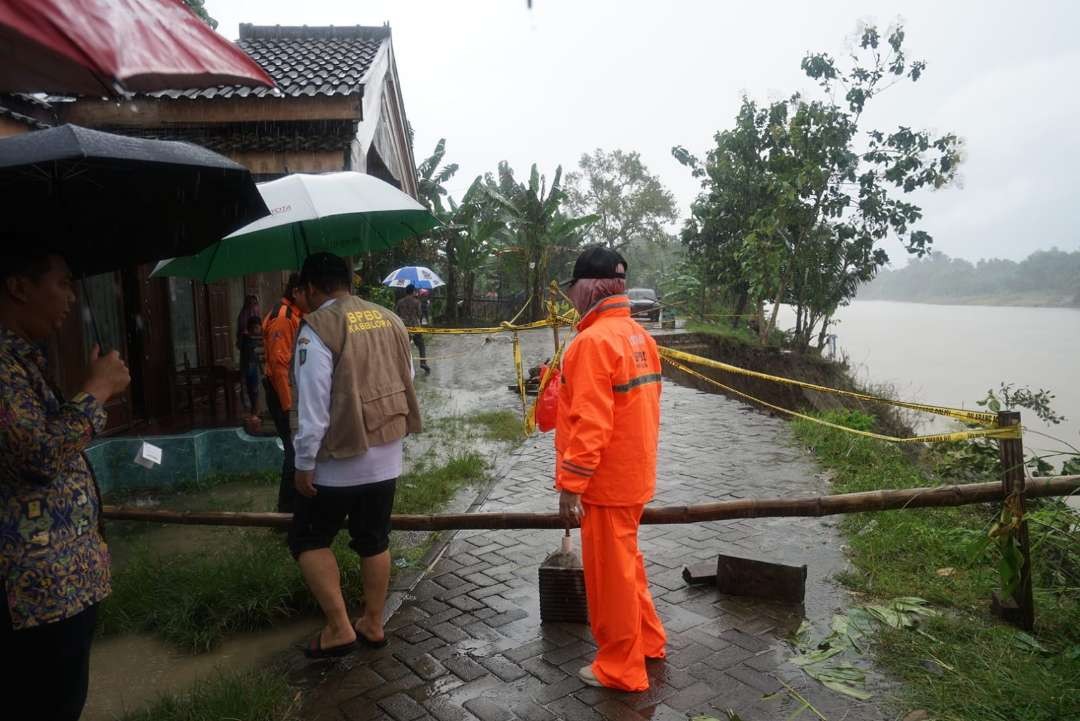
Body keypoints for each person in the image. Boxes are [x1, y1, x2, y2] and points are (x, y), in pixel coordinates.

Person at [0, 250, 131, 720]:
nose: (72, 299)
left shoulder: (22, 360)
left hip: (59, 587)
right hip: (31, 594)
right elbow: (37, 454)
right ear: (18, 286)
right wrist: (95, 391)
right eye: (63, 284)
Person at [288, 253, 421, 658]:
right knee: (373, 538)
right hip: (387, 452)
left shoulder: (317, 328)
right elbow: (407, 377)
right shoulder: (389, 319)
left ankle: (339, 627)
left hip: (338, 461)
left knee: (308, 538)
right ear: (347, 281)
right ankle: (374, 623)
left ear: (312, 289)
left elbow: (312, 408)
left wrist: (303, 463)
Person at [555, 245, 667, 692]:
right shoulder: (638, 335)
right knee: (628, 568)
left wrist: (571, 485)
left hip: (604, 483)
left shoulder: (592, 342)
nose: (571, 299)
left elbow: (592, 425)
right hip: (633, 475)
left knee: (611, 580)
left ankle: (621, 667)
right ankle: (649, 643)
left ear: (587, 289)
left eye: (573, 291)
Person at [262, 274, 306, 513]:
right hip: (283, 394)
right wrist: (290, 409)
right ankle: (287, 512)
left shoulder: (296, 314)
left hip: (290, 391)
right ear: (298, 292)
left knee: (296, 450)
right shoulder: (283, 318)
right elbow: (279, 367)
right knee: (293, 452)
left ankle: (293, 507)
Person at [394, 284, 431, 375]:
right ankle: (423, 363)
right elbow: (419, 314)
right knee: (421, 345)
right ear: (413, 291)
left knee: (405, 346)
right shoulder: (417, 302)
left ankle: (404, 366)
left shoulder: (400, 302)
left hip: (403, 327)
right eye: (415, 291)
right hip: (415, 327)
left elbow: (396, 313)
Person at [238, 315, 264, 415]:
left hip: (251, 368)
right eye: (257, 328)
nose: (259, 329)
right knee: (252, 390)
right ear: (252, 328)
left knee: (253, 390)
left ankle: (255, 411)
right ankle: (254, 411)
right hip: (250, 368)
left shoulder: (250, 339)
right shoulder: (248, 340)